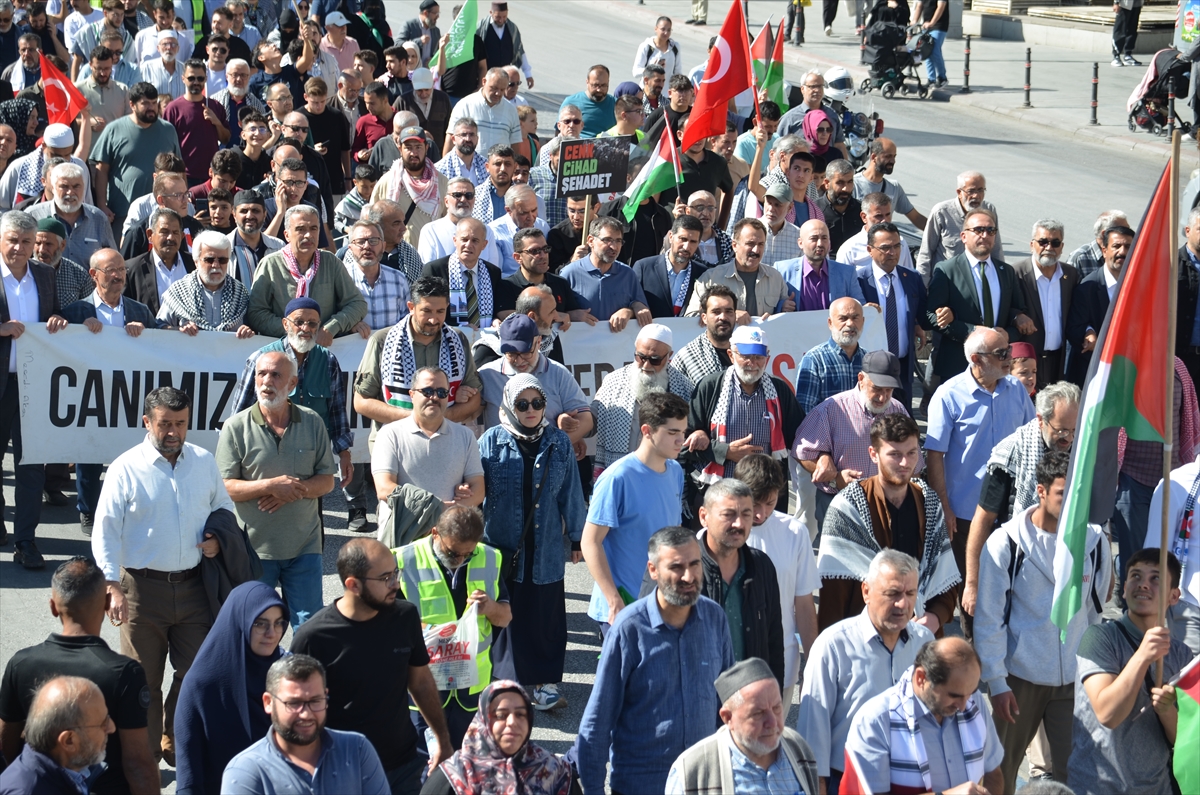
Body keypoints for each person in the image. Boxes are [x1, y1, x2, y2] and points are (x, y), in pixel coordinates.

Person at [92, 386, 235, 766]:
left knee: (198, 672)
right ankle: (146, 760)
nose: (173, 432)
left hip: (194, 588)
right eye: (165, 424)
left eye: (181, 424)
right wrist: (110, 586)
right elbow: (104, 530)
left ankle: (175, 733)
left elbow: (223, 507)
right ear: (146, 422)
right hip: (140, 591)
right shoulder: (125, 468)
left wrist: (217, 540)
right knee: (143, 682)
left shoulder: (203, 462)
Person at [973, 450, 1112, 791]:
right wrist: (997, 682)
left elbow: (1096, 611)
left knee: (1079, 775)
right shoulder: (1005, 544)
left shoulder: (1095, 542)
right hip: (1018, 681)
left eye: (1078, 495)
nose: (1072, 504)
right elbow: (989, 619)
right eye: (1064, 494)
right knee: (998, 773)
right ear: (1040, 490)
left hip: (1075, 681)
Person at [577, 524, 735, 794]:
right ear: (653, 570)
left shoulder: (714, 618)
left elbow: (730, 706)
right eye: (676, 567)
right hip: (642, 784)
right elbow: (597, 721)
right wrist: (592, 789)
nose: (688, 576)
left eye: (694, 564)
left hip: (705, 783)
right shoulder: (629, 629)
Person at [291, 540, 452, 794]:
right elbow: (295, 711)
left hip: (404, 765)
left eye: (395, 573)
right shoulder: (314, 637)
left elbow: (420, 681)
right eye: (386, 578)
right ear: (353, 584)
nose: (396, 584)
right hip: (342, 771)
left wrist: (442, 739)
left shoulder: (405, 616)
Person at [0, 557, 158, 794]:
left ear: (53, 607)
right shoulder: (124, 673)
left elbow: (6, 745)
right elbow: (137, 763)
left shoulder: (20, 663)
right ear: (106, 603)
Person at [478, 374, 585, 712]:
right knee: (504, 616)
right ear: (509, 405)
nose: (530, 410)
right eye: (522, 404)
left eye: (537, 403)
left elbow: (571, 493)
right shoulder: (491, 441)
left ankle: (545, 683)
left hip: (548, 546)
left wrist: (578, 537)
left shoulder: (559, 442)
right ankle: (504, 683)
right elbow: (479, 494)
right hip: (502, 546)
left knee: (546, 616)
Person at [925, 327, 1036, 637]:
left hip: (1013, 509)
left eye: (1008, 351)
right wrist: (944, 507)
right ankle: (977, 661)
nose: (1009, 359)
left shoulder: (1015, 389)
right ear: (976, 359)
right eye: (1001, 354)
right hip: (966, 511)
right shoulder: (948, 395)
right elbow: (935, 455)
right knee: (972, 590)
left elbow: (1032, 438)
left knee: (1012, 584)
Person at [798, 549, 934, 794]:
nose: (903, 604)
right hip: (850, 779)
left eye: (910, 593)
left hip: (909, 779)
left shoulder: (925, 643)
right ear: (866, 592)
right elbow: (813, 729)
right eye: (892, 593)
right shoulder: (833, 645)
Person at [218, 349, 336, 630]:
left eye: (275, 375)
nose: (266, 381)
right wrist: (270, 486)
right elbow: (224, 487)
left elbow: (327, 481)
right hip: (253, 550)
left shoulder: (312, 422)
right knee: (252, 628)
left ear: (292, 384)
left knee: (310, 629)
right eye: (261, 374)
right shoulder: (235, 427)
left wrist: (293, 489)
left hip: (304, 546)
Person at [818, 412, 959, 633]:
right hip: (863, 640)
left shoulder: (929, 501)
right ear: (873, 454)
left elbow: (945, 577)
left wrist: (934, 617)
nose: (905, 463)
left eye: (912, 453)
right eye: (895, 454)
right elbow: (833, 595)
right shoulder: (847, 508)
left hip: (920, 638)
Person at [1067, 549, 1192, 795]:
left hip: (1156, 788)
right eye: (1136, 576)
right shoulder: (1098, 638)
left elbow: (1186, 740)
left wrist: (1167, 712)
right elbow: (1108, 714)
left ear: (1174, 595)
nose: (1143, 584)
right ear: (1124, 589)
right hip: (1096, 786)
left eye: (1155, 578)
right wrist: (1143, 655)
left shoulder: (1182, 656)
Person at [961, 381, 1081, 618]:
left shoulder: (1082, 451)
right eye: (1061, 430)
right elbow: (983, 519)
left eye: (1074, 430)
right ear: (1040, 420)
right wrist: (972, 584)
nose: (1068, 438)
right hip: (1015, 569)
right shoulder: (1011, 453)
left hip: (1066, 569)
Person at [396, 504, 510, 753]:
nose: (460, 559)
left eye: (468, 554)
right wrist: (427, 629)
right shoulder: (403, 561)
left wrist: (489, 607)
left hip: (471, 688)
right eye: (453, 552)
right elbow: (384, 624)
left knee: (467, 762)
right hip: (424, 683)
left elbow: (505, 618)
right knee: (421, 763)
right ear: (434, 533)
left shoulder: (489, 557)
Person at [582, 391, 688, 629]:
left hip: (661, 605)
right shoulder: (616, 478)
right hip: (622, 609)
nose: (680, 440)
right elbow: (590, 542)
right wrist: (613, 600)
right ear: (647, 431)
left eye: (683, 432)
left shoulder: (676, 472)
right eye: (672, 433)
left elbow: (673, 534)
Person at [845, 638, 1005, 795]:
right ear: (921, 678)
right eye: (954, 695)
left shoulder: (973, 701)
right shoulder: (875, 721)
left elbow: (992, 772)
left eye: (969, 693)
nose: (963, 706)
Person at [174, 582, 286, 795]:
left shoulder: (287, 677)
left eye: (279, 623)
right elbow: (189, 777)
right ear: (240, 623)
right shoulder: (201, 684)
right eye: (260, 624)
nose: (272, 633)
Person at [220, 655, 390, 795]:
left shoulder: (356, 750)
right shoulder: (246, 771)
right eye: (294, 703)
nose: (306, 714)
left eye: (315, 701)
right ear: (268, 703)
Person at [0, 210, 68, 564]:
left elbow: (53, 314)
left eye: (26, 242)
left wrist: (57, 319)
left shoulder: (43, 274)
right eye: (13, 240)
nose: (19, 248)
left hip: (33, 386)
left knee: (30, 467)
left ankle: (26, 542)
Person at [354, 276, 484, 443]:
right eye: (426, 311)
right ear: (411, 307)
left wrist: (440, 417)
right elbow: (361, 401)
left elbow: (475, 399)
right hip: (394, 442)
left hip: (445, 440)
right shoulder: (382, 341)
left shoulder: (458, 340)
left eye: (440, 312)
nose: (433, 320)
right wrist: (416, 419)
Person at [666, 656, 819, 795]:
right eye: (758, 713)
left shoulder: (797, 749)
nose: (773, 723)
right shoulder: (692, 771)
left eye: (777, 708)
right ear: (728, 717)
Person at [796, 351, 918, 525]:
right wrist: (835, 478)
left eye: (889, 390)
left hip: (886, 504)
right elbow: (802, 453)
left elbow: (915, 462)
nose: (882, 397)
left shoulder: (898, 410)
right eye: (876, 389)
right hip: (839, 503)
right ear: (861, 379)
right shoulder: (831, 409)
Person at [926, 207, 1032, 383]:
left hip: (999, 364)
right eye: (978, 230)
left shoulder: (1006, 271)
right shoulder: (947, 270)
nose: (985, 235)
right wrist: (973, 331)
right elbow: (930, 316)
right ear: (964, 236)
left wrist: (1007, 335)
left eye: (990, 230)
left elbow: (1017, 311)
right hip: (959, 364)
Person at [419, 680, 574, 795]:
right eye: (501, 715)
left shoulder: (556, 773)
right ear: (483, 720)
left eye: (520, 714)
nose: (512, 722)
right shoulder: (453, 776)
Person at [372, 364, 485, 515]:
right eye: (427, 391)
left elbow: (478, 490)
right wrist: (434, 508)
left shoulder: (465, 436)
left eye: (442, 392)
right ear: (412, 395)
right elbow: (385, 489)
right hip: (403, 532)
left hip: (448, 531)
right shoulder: (389, 434)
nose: (435, 397)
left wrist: (461, 498)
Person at [245, 205, 368, 342]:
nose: (308, 235)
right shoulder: (270, 265)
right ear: (287, 235)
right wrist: (294, 331)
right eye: (300, 229)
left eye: (313, 229)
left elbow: (357, 304)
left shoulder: (330, 262)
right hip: (283, 348)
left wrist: (331, 328)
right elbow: (256, 313)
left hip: (323, 348)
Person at [591, 323, 695, 475]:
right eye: (641, 357)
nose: (646, 365)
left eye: (655, 360)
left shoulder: (684, 388)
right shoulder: (613, 381)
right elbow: (594, 416)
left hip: (662, 476)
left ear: (669, 356)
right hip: (621, 473)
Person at [477, 313, 591, 436]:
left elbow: (585, 419)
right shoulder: (487, 374)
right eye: (511, 354)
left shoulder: (559, 373)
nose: (519, 361)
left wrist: (556, 449)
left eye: (526, 353)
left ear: (539, 342)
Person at [856, 222, 929, 408]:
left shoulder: (911, 277)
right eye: (885, 247)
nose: (893, 252)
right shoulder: (859, 280)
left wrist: (918, 325)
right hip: (873, 369)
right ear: (870, 250)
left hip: (903, 365)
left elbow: (920, 312)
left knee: (904, 420)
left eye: (897, 246)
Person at [0, 676, 115, 794]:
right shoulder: (27, 791)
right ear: (69, 740)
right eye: (103, 723)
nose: (112, 728)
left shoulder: (69, 772)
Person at [90, 81, 182, 227]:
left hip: (163, 214)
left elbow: (179, 171)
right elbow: (101, 170)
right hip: (122, 213)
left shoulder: (168, 130)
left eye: (154, 103)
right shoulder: (114, 129)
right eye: (145, 103)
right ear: (132, 105)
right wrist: (102, 204)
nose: (151, 108)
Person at [1065, 224, 1135, 384]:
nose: (1122, 252)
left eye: (1128, 247)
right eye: (1116, 246)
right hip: (1094, 376)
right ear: (1104, 251)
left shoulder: (1139, 287)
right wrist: (1088, 332)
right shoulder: (1087, 287)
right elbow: (1074, 327)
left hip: (1128, 372)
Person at [1015, 219, 1079, 388]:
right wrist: (1017, 316)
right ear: (1031, 245)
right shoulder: (1015, 274)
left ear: (1062, 247)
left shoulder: (1070, 274)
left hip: (1059, 361)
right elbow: (1005, 308)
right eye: (1043, 242)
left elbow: (1077, 311)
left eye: (1055, 242)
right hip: (1027, 363)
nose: (1049, 248)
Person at [560, 216, 652, 332]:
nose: (614, 247)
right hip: (579, 347)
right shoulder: (569, 274)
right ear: (590, 241)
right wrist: (571, 315)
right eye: (607, 240)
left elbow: (639, 306)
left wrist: (629, 311)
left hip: (618, 347)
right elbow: (554, 314)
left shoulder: (628, 274)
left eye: (618, 241)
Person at [685, 219, 788, 319]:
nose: (756, 250)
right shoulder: (710, 279)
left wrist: (780, 312)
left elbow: (786, 318)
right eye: (750, 244)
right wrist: (728, 315)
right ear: (734, 246)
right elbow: (691, 318)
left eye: (761, 244)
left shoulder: (776, 278)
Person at [422, 217, 512, 331]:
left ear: (484, 245)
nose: (469, 245)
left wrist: (494, 320)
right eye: (464, 239)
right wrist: (461, 328)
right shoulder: (434, 270)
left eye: (475, 241)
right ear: (455, 241)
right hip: (446, 337)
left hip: (484, 339)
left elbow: (494, 309)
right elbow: (427, 310)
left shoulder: (493, 272)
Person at [157, 230, 254, 336]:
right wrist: (178, 329)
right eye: (209, 260)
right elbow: (158, 327)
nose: (216, 265)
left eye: (222, 260)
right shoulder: (178, 292)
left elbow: (254, 327)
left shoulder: (240, 293)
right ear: (196, 261)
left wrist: (247, 330)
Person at [917, 172, 1003, 282]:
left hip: (979, 283)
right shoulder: (942, 212)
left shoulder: (989, 210)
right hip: (947, 282)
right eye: (971, 191)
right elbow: (926, 252)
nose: (976, 196)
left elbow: (996, 250)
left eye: (980, 190)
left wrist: (1001, 281)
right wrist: (922, 289)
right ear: (959, 192)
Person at [26, 161, 115, 266]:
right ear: (53, 188)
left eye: (76, 186)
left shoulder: (98, 218)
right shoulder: (32, 215)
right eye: (64, 186)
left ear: (84, 188)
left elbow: (112, 259)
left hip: (88, 282)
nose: (70, 192)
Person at [795, 297, 867, 413]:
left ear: (863, 321)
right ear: (830, 323)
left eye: (855, 318)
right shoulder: (814, 360)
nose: (850, 323)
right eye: (843, 318)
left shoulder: (869, 360)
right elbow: (805, 412)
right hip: (826, 431)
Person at [775, 218, 865, 310]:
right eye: (814, 238)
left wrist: (868, 309)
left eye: (824, 238)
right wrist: (781, 306)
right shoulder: (782, 271)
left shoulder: (847, 273)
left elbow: (859, 306)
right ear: (800, 243)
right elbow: (769, 306)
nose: (820, 243)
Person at [633, 214, 705, 318]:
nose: (686, 246)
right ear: (670, 237)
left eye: (693, 241)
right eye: (682, 239)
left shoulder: (703, 274)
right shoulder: (644, 267)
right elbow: (629, 299)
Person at [446, 67, 525, 160]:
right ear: (484, 81)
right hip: (469, 168)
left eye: (502, 90)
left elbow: (515, 144)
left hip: (500, 169)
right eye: (494, 88)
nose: (498, 93)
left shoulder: (511, 110)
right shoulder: (465, 105)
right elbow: (451, 139)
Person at [852, 139, 926, 231]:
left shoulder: (894, 187)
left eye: (894, 156)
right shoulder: (853, 184)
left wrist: (940, 231)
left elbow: (916, 218)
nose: (893, 161)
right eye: (888, 156)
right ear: (874, 156)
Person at [837, 192, 917, 272]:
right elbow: (842, 281)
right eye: (879, 216)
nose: (884, 220)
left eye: (888, 215)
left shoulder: (901, 243)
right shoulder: (849, 249)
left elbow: (908, 276)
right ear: (864, 217)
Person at [674, 285, 737, 385]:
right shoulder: (687, 357)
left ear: (735, 315)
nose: (723, 317)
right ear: (704, 318)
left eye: (729, 312)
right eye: (716, 312)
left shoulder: (746, 353)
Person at [477, 3, 533, 90]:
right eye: (498, 17)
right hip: (488, 77)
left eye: (504, 17)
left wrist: (528, 74)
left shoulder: (512, 29)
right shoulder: (480, 28)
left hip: (506, 77)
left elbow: (519, 50)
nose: (501, 20)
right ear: (491, 12)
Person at [1067, 209, 1128, 277]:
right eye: (1123, 231)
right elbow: (1067, 285)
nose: (1128, 234)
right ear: (1104, 234)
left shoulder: (1127, 254)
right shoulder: (1080, 258)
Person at [560, 65, 615, 139]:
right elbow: (560, 131)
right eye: (595, 85)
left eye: (603, 85)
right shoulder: (571, 102)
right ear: (587, 82)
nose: (599, 90)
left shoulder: (617, 105)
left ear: (608, 82)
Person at [437, 117, 488, 186]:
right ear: (453, 139)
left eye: (472, 135)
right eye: (463, 135)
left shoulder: (486, 166)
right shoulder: (440, 169)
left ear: (477, 139)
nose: (468, 139)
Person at [913, 0, 950, 86]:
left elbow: (941, 7)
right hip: (927, 26)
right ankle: (931, 79)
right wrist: (914, 21)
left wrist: (932, 22)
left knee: (935, 51)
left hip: (939, 26)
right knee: (927, 51)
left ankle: (942, 78)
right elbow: (919, 6)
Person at [400, 0, 438, 67]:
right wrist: (419, 41)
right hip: (410, 71)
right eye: (435, 13)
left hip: (428, 72)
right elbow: (398, 44)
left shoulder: (436, 31)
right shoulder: (409, 25)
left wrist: (433, 60)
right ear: (426, 13)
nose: (437, 16)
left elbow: (438, 51)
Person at [1111, 0, 1144, 66]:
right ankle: (1116, 56)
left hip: (1137, 4)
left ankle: (1128, 55)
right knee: (1120, 30)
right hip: (1124, 5)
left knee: (1132, 31)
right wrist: (1116, 3)